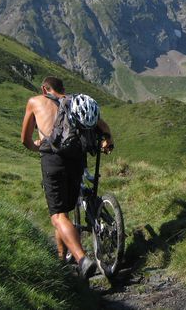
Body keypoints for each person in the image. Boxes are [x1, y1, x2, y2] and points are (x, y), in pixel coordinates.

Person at [20, 76, 115, 279]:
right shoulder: (75, 102)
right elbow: (103, 127)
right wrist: (109, 140)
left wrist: (37, 145)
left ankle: (82, 259)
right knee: (66, 211)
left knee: (58, 215)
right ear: (62, 89)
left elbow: (25, 140)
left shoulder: (35, 101)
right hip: (77, 160)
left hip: (52, 161)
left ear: (44, 89)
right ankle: (61, 257)